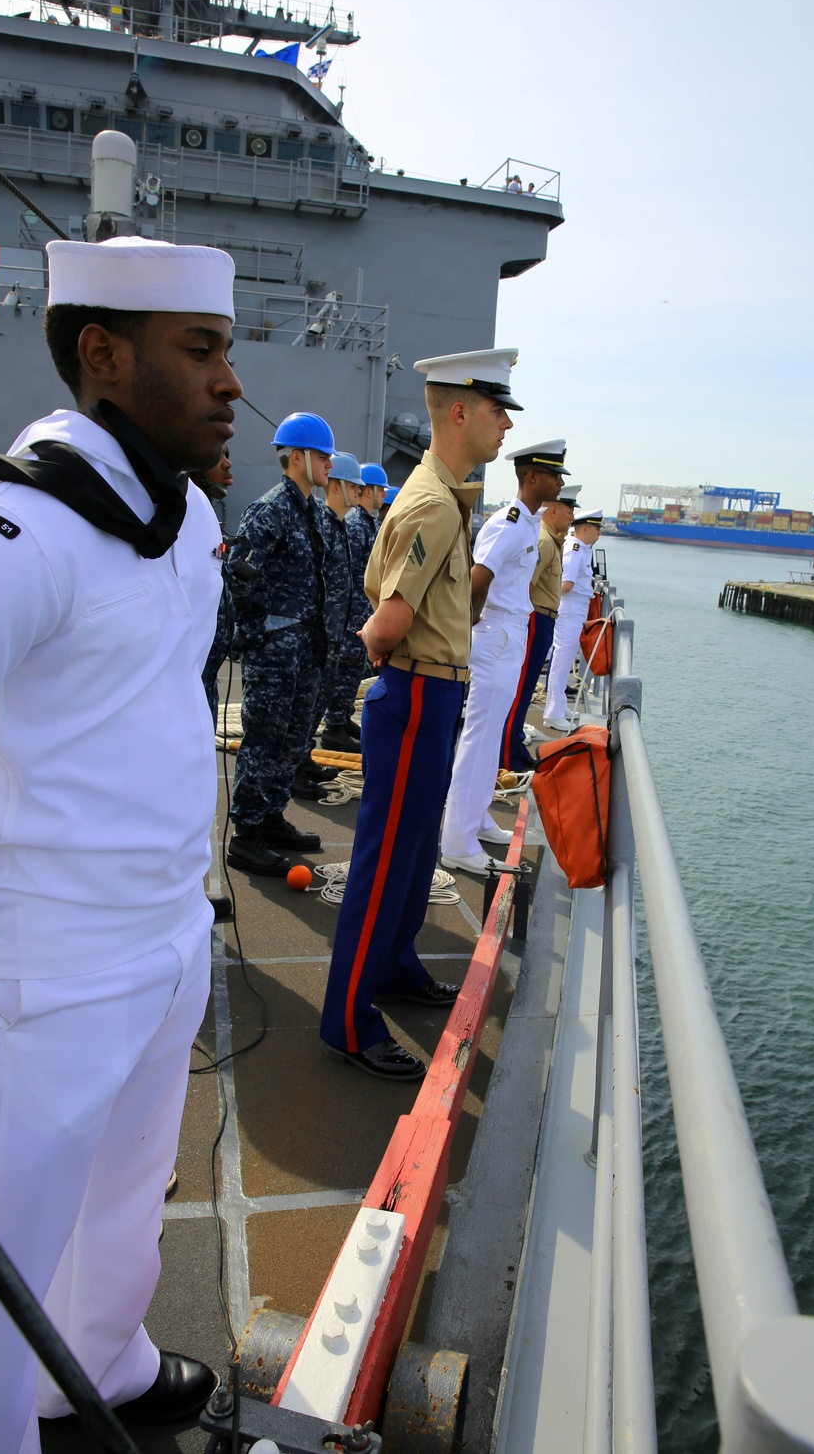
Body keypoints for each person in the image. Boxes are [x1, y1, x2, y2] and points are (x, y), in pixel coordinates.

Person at [0, 234, 240, 1453]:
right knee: (8, 1241)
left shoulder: (186, 521)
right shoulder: (9, 531)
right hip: (46, 958)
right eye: (199, 350)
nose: (227, 382)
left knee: (124, 1197)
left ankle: (94, 1363)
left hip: (161, 935)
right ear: (104, 355)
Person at [319, 347, 520, 1080]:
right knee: (384, 863)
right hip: (415, 694)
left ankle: (398, 963)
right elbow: (390, 621)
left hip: (436, 695)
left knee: (411, 856)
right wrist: (381, 654)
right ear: (459, 410)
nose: (505, 424)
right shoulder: (435, 502)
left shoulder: (444, 492)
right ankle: (347, 1019)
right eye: (498, 409)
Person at [439, 440, 566, 874]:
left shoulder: (529, 524)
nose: (561, 482)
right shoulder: (509, 524)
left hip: (509, 634)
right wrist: (472, 635)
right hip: (495, 636)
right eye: (554, 474)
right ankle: (456, 839)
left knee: (491, 735)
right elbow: (477, 581)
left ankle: (475, 818)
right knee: (477, 737)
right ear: (531, 476)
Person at [225, 412, 333, 877]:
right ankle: (246, 835)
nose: (329, 463)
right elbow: (237, 574)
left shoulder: (312, 512)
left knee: (292, 739)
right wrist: (258, 631)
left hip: (305, 648)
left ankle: (270, 816)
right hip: (275, 651)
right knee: (264, 740)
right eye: (322, 456)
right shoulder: (269, 511)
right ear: (296, 458)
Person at [500, 473, 575, 771]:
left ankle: (514, 741)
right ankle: (508, 755)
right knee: (520, 689)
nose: (571, 518)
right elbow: (525, 588)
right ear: (554, 510)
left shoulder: (552, 541)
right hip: (534, 621)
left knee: (527, 687)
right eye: (568, 511)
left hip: (544, 622)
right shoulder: (544, 541)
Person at [319, 461, 385, 752]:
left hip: (357, 611)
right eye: (378, 489)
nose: (381, 495)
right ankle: (334, 723)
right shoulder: (356, 524)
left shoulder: (365, 523)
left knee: (350, 669)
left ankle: (341, 719)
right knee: (341, 669)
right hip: (346, 613)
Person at [306, 450, 363, 771]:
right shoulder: (324, 526)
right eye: (353, 486)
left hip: (338, 631)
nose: (359, 491)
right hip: (322, 634)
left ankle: (303, 759)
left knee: (322, 697)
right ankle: (299, 764)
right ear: (337, 486)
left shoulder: (339, 526)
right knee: (310, 704)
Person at [543, 504, 604, 730]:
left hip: (575, 610)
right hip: (569, 610)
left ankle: (559, 706)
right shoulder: (576, 549)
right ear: (585, 529)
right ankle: (552, 713)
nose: (600, 533)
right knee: (561, 661)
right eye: (597, 529)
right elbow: (566, 585)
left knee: (566, 660)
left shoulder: (581, 549)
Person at [193, 447, 234, 725]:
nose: (227, 464)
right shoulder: (179, 518)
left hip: (207, 674)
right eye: (218, 455)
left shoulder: (202, 515)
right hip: (189, 674)